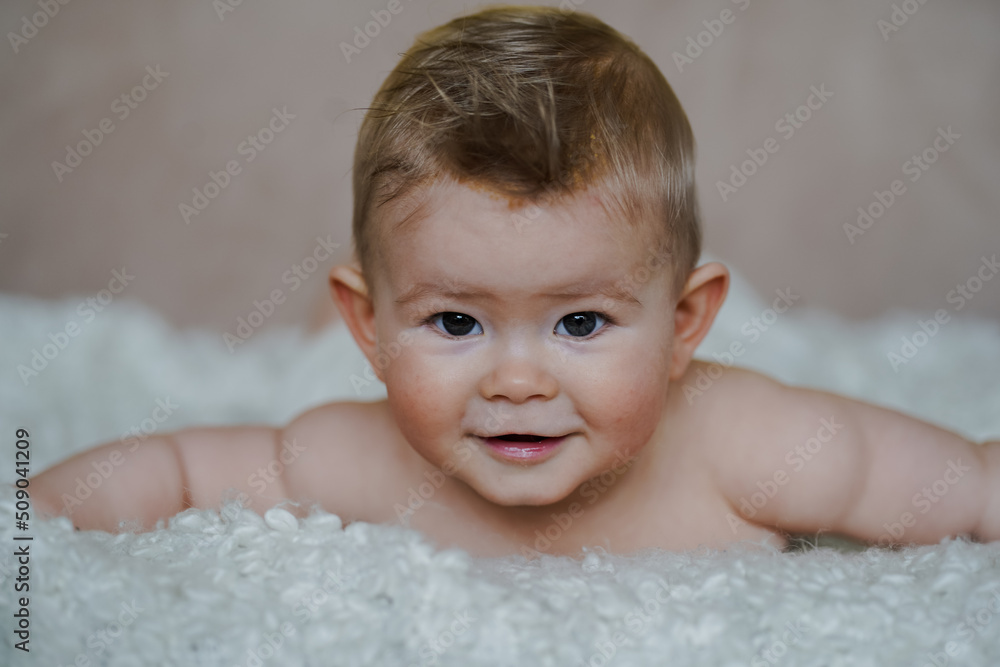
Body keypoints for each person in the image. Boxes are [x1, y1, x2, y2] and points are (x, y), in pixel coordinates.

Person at [28, 5, 999, 559]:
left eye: (580, 322)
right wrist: (29, 526)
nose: (517, 381)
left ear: (684, 322)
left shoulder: (749, 443)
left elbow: (957, 486)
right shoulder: (357, 459)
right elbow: (182, 471)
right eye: (455, 322)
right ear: (367, 324)